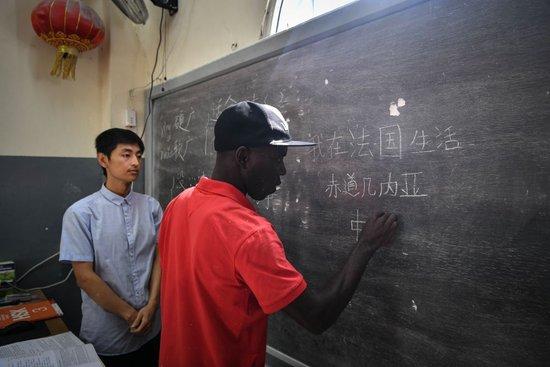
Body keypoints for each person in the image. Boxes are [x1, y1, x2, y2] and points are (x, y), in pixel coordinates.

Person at [158, 101, 398, 366]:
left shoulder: (178, 204)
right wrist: (365, 247)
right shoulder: (250, 234)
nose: (282, 171)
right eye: (277, 158)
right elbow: (316, 317)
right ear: (243, 157)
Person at [59, 128, 162, 366]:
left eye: (138, 155)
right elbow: (84, 277)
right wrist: (130, 314)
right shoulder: (81, 213)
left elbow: (160, 257)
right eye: (126, 155)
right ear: (103, 159)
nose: (135, 162)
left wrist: (153, 304)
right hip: (108, 334)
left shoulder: (151, 207)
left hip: (153, 326)